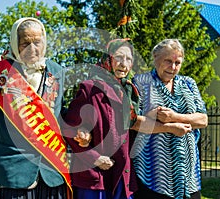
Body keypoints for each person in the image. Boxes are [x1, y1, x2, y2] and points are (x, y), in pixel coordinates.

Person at [0, 17, 72, 199]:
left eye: (37, 42)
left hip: (52, 170)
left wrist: (79, 128)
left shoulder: (56, 71)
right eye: (26, 43)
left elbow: (59, 114)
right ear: (15, 44)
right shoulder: (1, 73)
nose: (33, 49)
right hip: (15, 171)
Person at [62, 38, 192, 199]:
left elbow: (132, 123)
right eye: (119, 57)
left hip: (122, 175)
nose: (124, 64)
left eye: (128, 59)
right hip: (94, 179)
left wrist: (167, 123)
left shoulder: (129, 90)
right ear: (107, 58)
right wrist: (94, 158)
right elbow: (70, 128)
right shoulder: (90, 88)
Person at [131, 39, 208, 199]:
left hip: (188, 175)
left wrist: (174, 117)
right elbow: (133, 122)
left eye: (177, 62)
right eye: (168, 61)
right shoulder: (140, 82)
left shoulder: (189, 84)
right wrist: (170, 127)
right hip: (153, 174)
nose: (173, 67)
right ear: (155, 57)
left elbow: (203, 119)